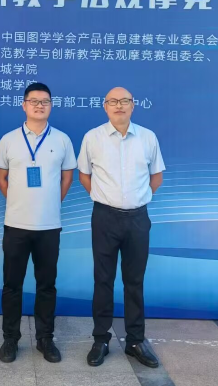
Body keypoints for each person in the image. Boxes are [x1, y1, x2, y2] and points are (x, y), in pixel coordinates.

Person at [77, 87, 165, 369]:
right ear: (105, 107)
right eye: (113, 101)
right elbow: (84, 175)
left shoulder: (148, 137)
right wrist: (105, 199)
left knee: (134, 281)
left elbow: (156, 177)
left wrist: (138, 200)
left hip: (138, 219)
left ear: (133, 106)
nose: (119, 106)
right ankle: (100, 339)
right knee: (103, 280)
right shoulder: (92, 137)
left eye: (124, 101)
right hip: (104, 217)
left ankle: (135, 340)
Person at [0, 82, 77, 364]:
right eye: (34, 101)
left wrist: (51, 203)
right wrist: (18, 200)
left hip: (48, 226)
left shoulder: (62, 140)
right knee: (12, 285)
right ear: (24, 105)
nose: (39, 106)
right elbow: (0, 177)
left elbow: (67, 177)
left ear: (51, 105)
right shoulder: (9, 140)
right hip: (16, 224)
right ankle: (10, 339)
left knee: (46, 285)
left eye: (45, 101)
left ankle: (45, 339)